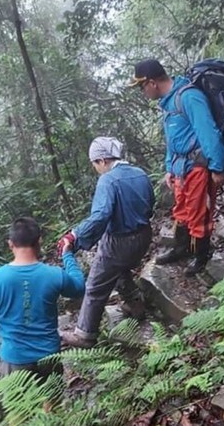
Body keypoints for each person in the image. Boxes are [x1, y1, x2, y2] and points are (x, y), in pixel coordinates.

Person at [129, 59, 224, 276]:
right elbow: (173, 139)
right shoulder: (168, 103)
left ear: (152, 82)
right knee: (182, 211)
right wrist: (169, 168)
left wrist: (218, 167)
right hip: (181, 169)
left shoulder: (189, 97)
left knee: (199, 213)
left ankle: (201, 256)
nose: (142, 92)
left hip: (198, 168)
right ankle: (182, 248)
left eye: (141, 87)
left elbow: (209, 133)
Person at [59, 137, 155, 349]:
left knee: (95, 286)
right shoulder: (140, 173)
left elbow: (100, 216)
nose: (96, 169)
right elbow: (151, 203)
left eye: (95, 164)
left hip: (119, 241)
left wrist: (74, 236)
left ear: (102, 160)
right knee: (118, 268)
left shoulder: (108, 180)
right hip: (144, 235)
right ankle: (135, 304)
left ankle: (85, 334)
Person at [0, 217, 85, 382]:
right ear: (39, 241)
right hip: (49, 355)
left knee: (22, 407)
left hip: (14, 358)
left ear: (10, 244)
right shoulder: (54, 275)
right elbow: (79, 288)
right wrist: (67, 255)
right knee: (52, 406)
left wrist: (3, 315)